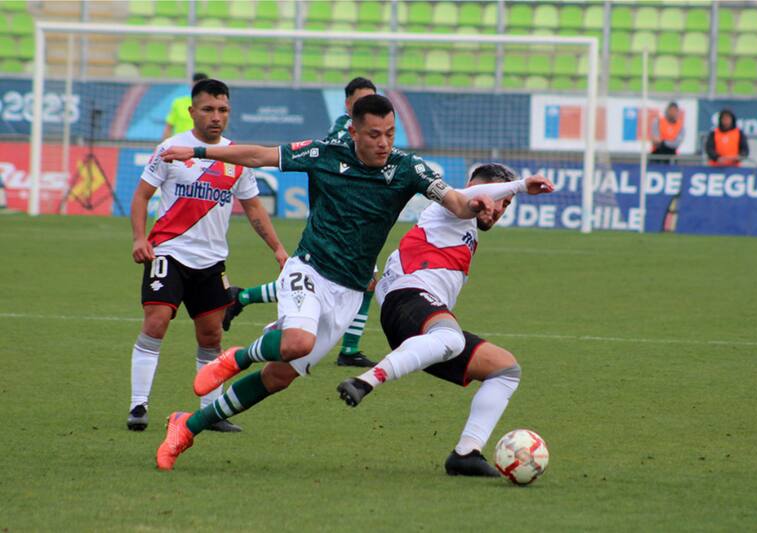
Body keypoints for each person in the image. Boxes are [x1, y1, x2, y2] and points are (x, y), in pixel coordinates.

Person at [154, 94, 497, 470]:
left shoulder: (407, 168)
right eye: (373, 135)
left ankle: (187, 426)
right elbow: (259, 156)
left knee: (279, 376)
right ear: (354, 131)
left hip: (349, 293)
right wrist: (199, 151)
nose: (383, 143)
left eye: (389, 133)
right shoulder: (324, 153)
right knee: (298, 343)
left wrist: (473, 206)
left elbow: (454, 201)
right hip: (309, 268)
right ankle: (237, 356)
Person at [336, 164, 554, 477]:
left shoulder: (467, 229)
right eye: (498, 197)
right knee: (452, 338)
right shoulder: (450, 207)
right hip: (408, 300)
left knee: (505, 370)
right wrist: (518, 186)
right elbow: (467, 199)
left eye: (506, 204)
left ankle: (466, 453)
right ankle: (364, 381)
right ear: (472, 187)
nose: (498, 208)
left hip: (421, 328)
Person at [127, 79, 288, 432]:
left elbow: (254, 209)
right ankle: (138, 404)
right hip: (168, 252)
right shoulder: (171, 148)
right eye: (208, 109)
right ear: (192, 112)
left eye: (223, 110)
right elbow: (140, 196)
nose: (216, 117)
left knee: (212, 337)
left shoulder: (235, 157)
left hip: (212, 261)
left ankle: (210, 412)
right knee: (156, 323)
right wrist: (140, 238)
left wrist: (277, 248)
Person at [223, 77, 380, 368]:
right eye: (361, 101)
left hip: (356, 225)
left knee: (362, 281)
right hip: (336, 223)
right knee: (327, 281)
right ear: (348, 104)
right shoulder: (342, 132)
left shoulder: (371, 136)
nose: (367, 106)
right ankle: (348, 348)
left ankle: (242, 297)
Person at [162, 72, 209, 140]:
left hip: (202, 145)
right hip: (180, 145)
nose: (199, 88)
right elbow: (169, 127)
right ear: (192, 85)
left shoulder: (213, 105)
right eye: (196, 85)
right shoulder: (178, 103)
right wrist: (165, 145)